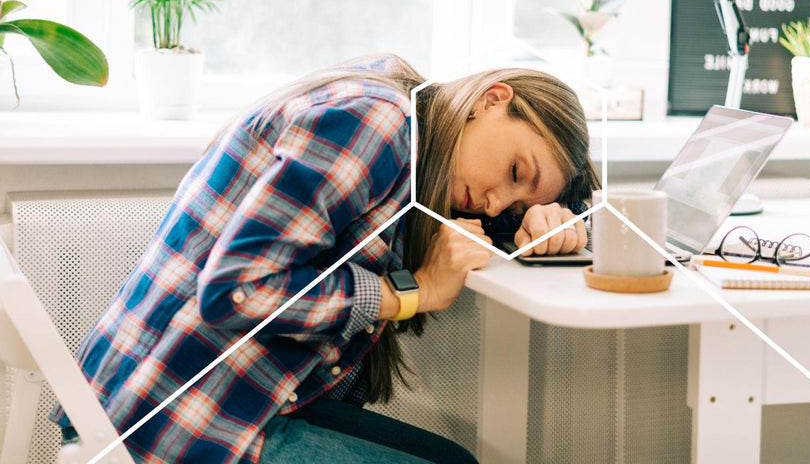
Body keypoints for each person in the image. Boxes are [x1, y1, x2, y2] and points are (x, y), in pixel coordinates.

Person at [51, 53, 599, 463]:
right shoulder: (378, 124)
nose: (497, 203)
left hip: (173, 396)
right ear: (492, 99)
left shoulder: (401, 110)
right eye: (514, 174)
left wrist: (559, 220)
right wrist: (411, 294)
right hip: (172, 420)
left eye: (521, 200)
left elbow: (503, 206)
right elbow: (237, 292)